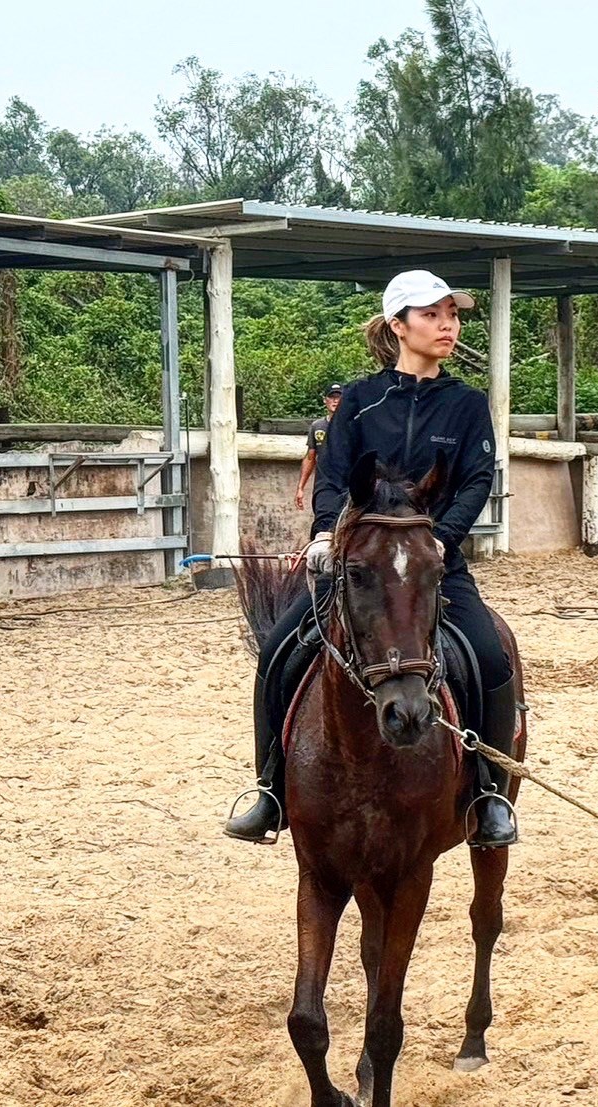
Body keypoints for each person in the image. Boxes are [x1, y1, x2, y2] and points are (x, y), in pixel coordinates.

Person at [225, 269, 518, 849]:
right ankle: (271, 789)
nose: (447, 326)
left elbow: (476, 480)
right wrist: (327, 532)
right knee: (280, 649)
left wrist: (445, 538)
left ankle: (488, 791)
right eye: (432, 315)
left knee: (489, 655)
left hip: (433, 561)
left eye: (452, 316)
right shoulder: (358, 400)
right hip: (357, 563)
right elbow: (333, 477)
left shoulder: (465, 405)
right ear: (398, 325)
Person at [294, 383, 342, 511]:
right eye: (332, 397)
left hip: (347, 487)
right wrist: (300, 488)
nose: (335, 401)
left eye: (339, 397)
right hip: (324, 487)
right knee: (323, 525)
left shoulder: (353, 426)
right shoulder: (317, 426)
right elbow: (310, 458)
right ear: (325, 400)